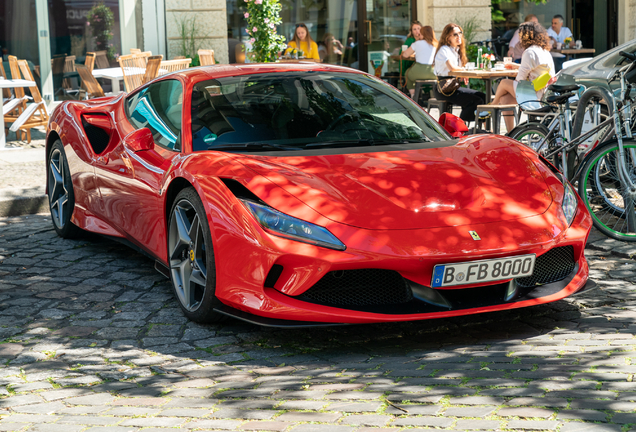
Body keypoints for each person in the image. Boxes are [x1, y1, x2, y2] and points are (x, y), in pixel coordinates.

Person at [491, 21, 555, 132]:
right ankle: (511, 133)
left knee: (504, 83)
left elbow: (520, 80)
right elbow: (536, 70)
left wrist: (516, 71)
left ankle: (491, 108)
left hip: (531, 94)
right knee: (505, 99)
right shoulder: (545, 51)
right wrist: (517, 66)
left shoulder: (529, 52)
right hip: (543, 94)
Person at [433, 23, 485, 123]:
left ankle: (483, 128)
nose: (459, 36)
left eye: (460, 33)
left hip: (453, 86)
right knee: (475, 100)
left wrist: (463, 74)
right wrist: (465, 72)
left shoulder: (456, 51)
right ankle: (460, 126)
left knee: (482, 96)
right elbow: (452, 68)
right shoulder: (444, 50)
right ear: (448, 38)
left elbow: (458, 69)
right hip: (444, 89)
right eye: (455, 34)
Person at [402, 26, 437, 98]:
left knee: (407, 74)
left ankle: (413, 95)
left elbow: (405, 55)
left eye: (420, 34)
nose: (418, 35)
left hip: (419, 70)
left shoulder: (417, 43)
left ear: (424, 34)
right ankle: (433, 95)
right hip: (433, 72)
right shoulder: (436, 44)